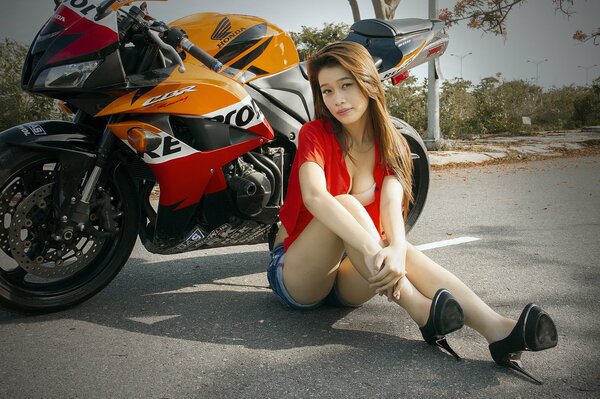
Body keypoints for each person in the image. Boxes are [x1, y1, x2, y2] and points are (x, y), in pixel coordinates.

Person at [267, 41, 557, 384]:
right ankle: (422, 311)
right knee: (345, 204)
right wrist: (379, 250)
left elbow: (392, 204)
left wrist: (395, 252)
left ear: (369, 83)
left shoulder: (394, 143)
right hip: (300, 274)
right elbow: (316, 197)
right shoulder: (314, 133)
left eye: (347, 85)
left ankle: (498, 330)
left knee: (399, 246)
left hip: (356, 274)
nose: (337, 99)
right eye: (327, 90)